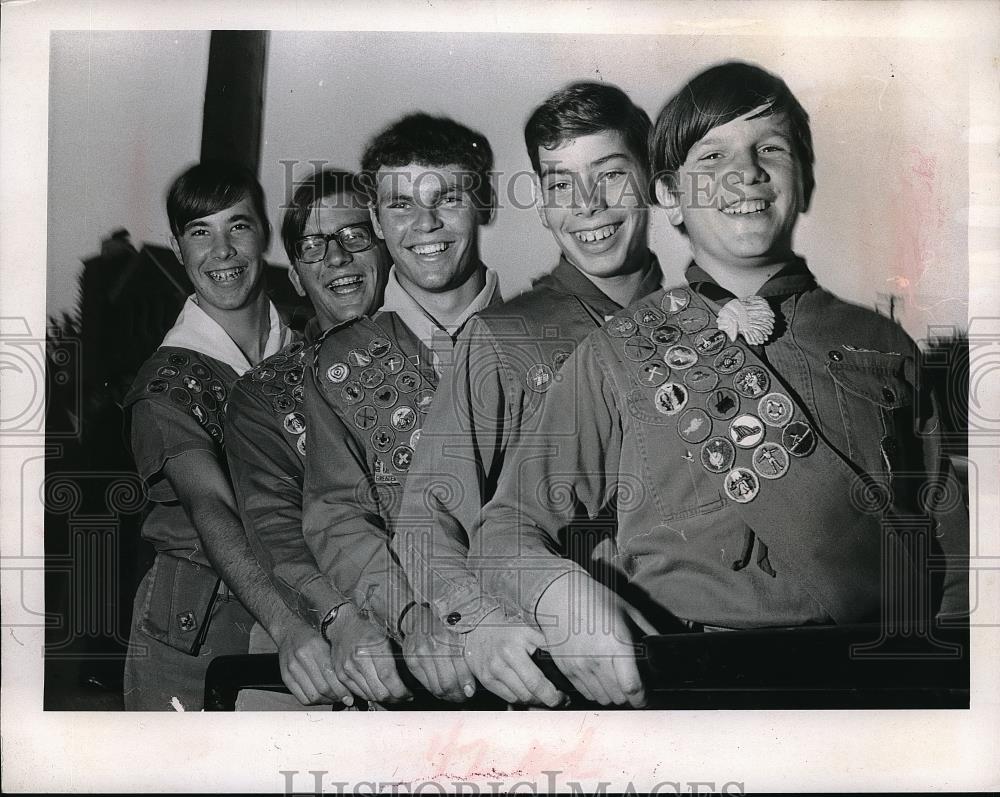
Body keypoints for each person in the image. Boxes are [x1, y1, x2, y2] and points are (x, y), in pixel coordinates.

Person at [470, 61, 969, 706]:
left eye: (769, 149)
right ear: (670, 197)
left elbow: (948, 537)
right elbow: (506, 527)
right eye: (711, 159)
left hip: (877, 677)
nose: (745, 174)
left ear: (804, 180)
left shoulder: (883, 343)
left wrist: (952, 674)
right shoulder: (619, 350)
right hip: (696, 678)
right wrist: (563, 598)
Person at [391, 81, 663, 707]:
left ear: (650, 177)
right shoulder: (503, 339)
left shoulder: (702, 328)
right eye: (561, 184)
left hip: (694, 660)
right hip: (562, 678)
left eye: (611, 174)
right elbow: (425, 520)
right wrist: (478, 621)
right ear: (541, 204)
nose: (588, 206)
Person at [300, 113, 503, 705]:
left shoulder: (544, 337)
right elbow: (338, 518)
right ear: (379, 227)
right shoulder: (340, 365)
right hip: (413, 656)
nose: (426, 225)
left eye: (448, 198)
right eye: (399, 206)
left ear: (484, 204)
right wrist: (410, 615)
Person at [122, 161, 294, 710]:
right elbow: (210, 506)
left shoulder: (304, 351)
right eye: (201, 232)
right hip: (194, 627)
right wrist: (292, 628)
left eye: (237, 226)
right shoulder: (166, 381)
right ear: (178, 248)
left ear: (263, 234)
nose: (222, 251)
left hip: (296, 607)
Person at [224, 168, 391, 708]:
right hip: (323, 633)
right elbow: (274, 529)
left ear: (385, 245)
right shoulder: (263, 397)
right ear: (296, 276)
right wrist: (338, 618)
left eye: (354, 235)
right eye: (314, 246)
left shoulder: (443, 356)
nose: (338, 258)